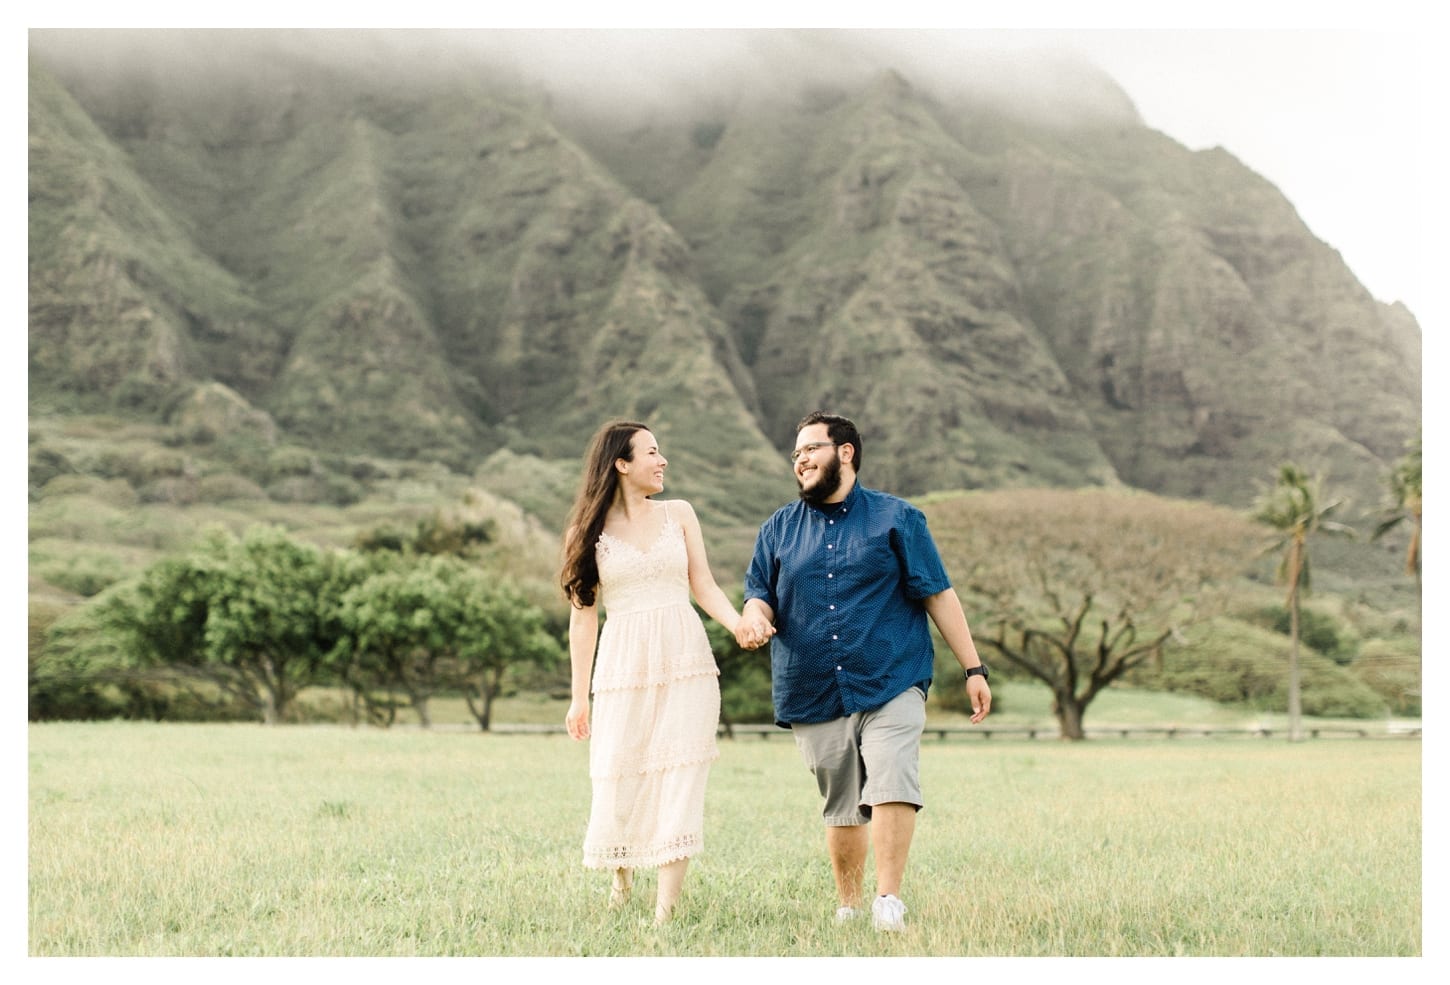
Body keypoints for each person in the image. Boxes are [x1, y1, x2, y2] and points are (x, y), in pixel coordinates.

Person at [734, 411, 992, 933]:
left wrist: (973, 668)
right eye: (796, 454)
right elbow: (758, 597)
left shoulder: (899, 519)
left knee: (892, 776)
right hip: (811, 683)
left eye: (811, 449)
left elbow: (938, 593)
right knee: (842, 802)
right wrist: (753, 619)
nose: (800, 460)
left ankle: (887, 901)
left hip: (891, 676)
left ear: (845, 452)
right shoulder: (777, 529)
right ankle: (849, 906)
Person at [561, 420, 742, 924]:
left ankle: (665, 910)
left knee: (679, 773)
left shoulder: (679, 514)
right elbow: (583, 618)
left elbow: (702, 584)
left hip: (685, 660)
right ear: (621, 463)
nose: (663, 462)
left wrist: (736, 624)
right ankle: (621, 880)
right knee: (619, 771)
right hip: (622, 664)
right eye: (653, 453)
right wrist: (580, 698)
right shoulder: (586, 533)